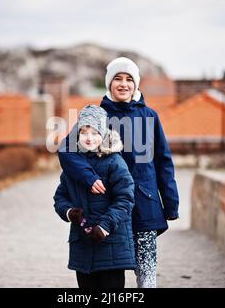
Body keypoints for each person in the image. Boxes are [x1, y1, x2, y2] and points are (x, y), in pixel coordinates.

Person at [58, 57, 180, 288]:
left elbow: (164, 162)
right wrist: (89, 177)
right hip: (109, 207)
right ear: (109, 83)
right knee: (111, 272)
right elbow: (66, 149)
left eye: (129, 79)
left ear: (136, 84)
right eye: (117, 78)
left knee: (146, 274)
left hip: (145, 205)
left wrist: (171, 203)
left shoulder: (150, 116)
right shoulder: (97, 115)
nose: (123, 84)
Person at [53, 104, 136, 288]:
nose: (89, 138)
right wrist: (68, 212)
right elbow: (60, 197)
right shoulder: (73, 167)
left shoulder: (115, 162)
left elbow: (126, 198)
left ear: (104, 134)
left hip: (110, 245)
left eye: (95, 132)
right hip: (82, 246)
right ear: (78, 134)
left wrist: (105, 226)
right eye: (84, 132)